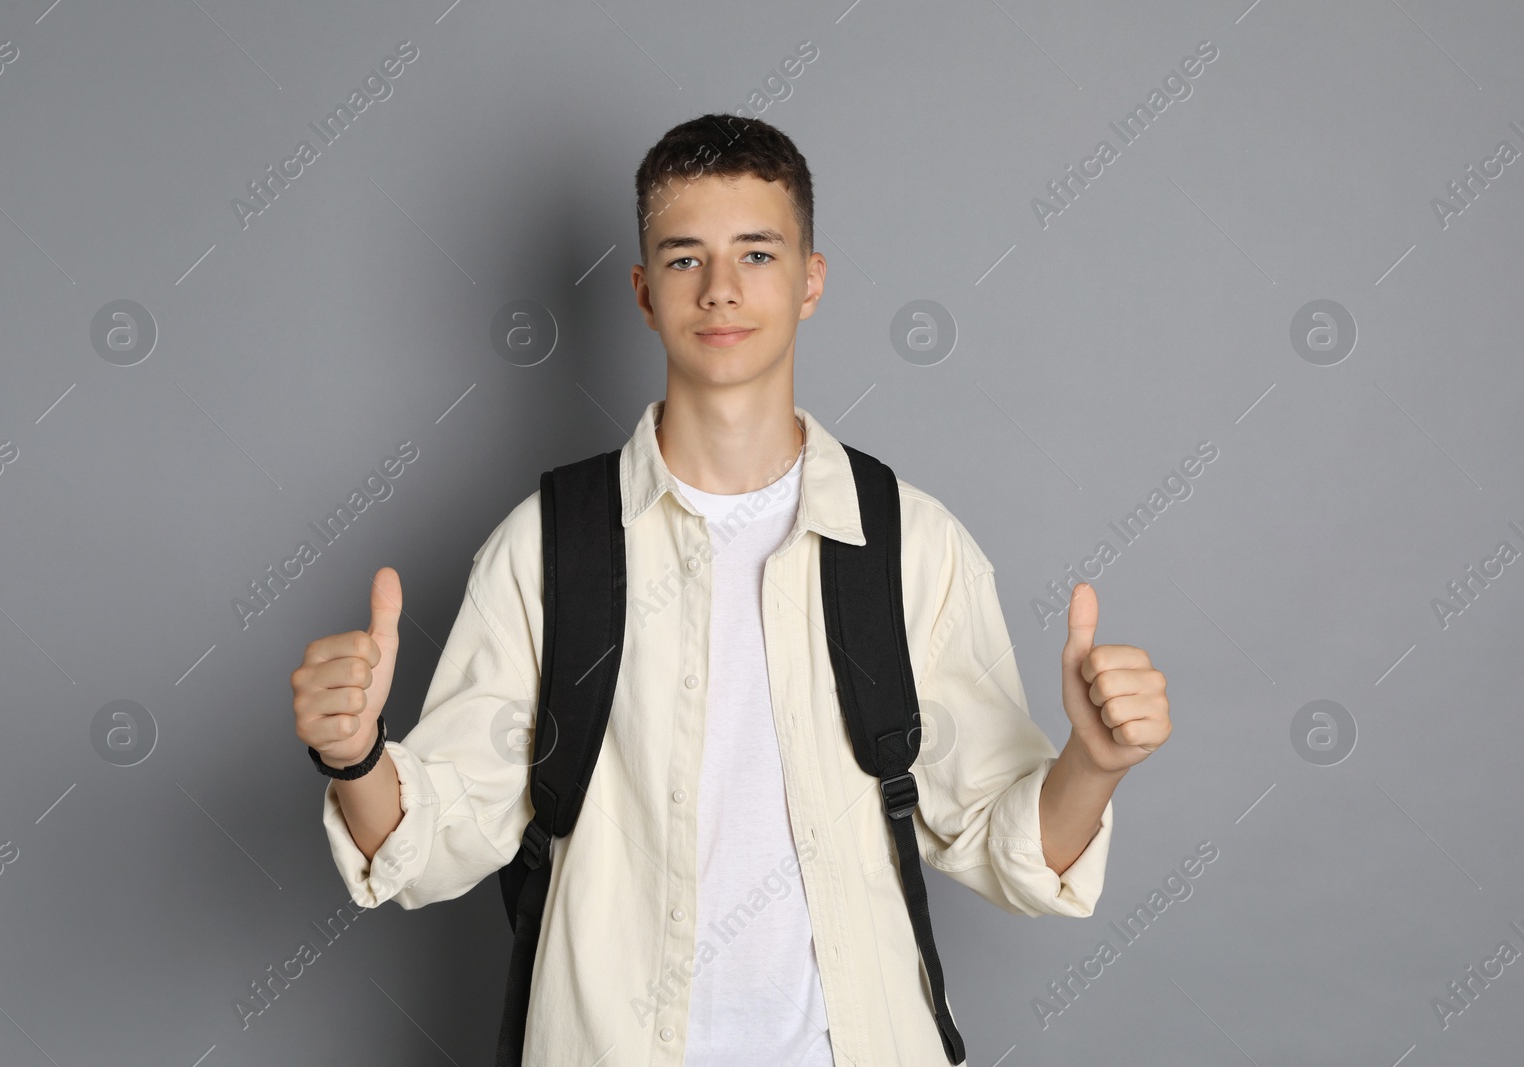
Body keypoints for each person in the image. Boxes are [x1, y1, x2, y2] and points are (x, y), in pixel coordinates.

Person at [290, 113, 1172, 1066]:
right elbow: (437, 841)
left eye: (757, 251)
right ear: (641, 290)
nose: (720, 289)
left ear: (811, 280)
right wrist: (355, 757)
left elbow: (1008, 845)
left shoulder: (908, 542)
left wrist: (1095, 761)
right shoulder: (549, 545)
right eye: (683, 258)